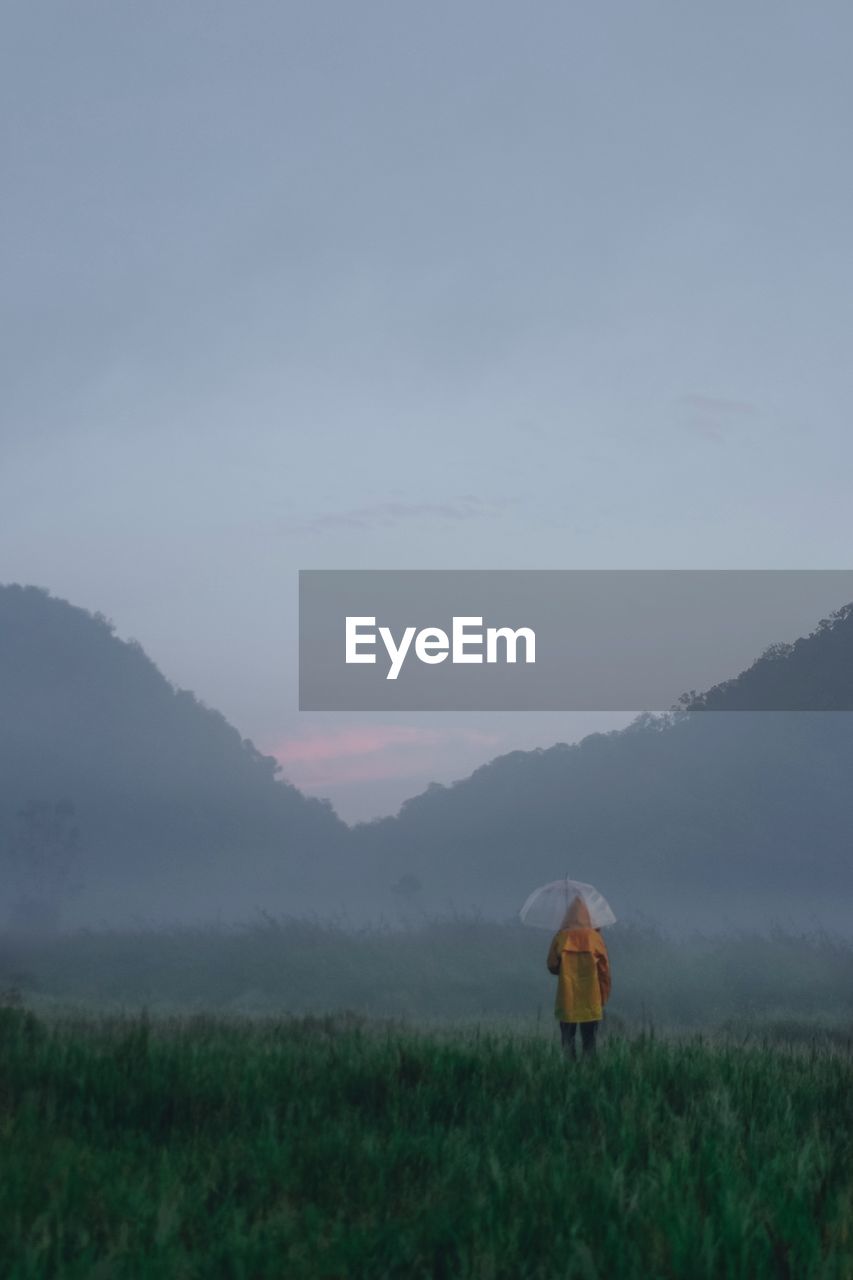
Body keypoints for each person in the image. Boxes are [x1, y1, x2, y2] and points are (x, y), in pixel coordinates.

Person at [546, 894, 611, 1058]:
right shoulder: (596, 939)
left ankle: (568, 1069)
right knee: (589, 1042)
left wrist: (563, 966)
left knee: (567, 1041)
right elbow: (604, 972)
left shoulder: (561, 937)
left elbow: (552, 965)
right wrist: (603, 996)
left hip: (567, 998)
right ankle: (589, 1070)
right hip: (591, 999)